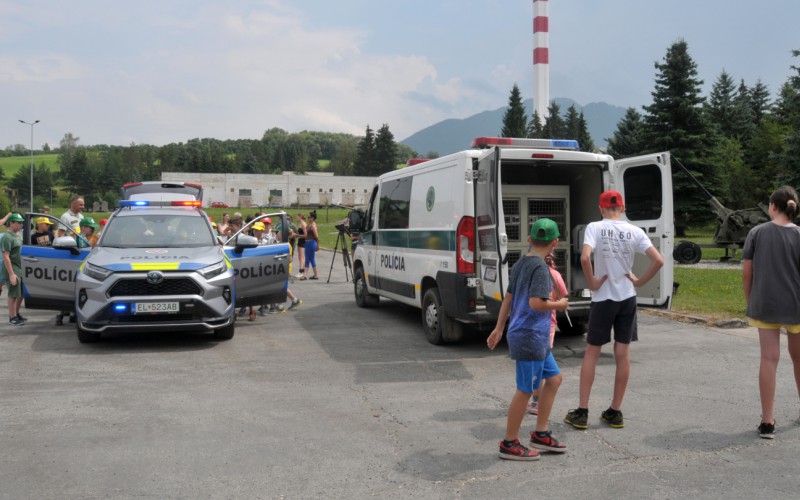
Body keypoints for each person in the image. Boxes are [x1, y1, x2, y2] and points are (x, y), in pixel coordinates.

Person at [564, 190, 664, 430]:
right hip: (627, 297)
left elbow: (585, 258)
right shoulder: (635, 231)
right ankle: (615, 411)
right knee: (622, 352)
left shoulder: (595, 227)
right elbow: (659, 260)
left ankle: (582, 411)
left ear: (600, 209)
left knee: (592, 352)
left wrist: (592, 282)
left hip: (604, 297)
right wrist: (639, 282)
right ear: (623, 208)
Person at [486, 218, 570, 461]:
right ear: (555, 243)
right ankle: (509, 443)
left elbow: (508, 298)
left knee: (554, 379)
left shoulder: (520, 263)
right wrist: (559, 304)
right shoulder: (541, 269)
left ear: (530, 239)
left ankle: (540, 433)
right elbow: (536, 303)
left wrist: (499, 328)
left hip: (534, 336)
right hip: (530, 335)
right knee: (525, 390)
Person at [742, 186, 800, 439]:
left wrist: (751, 300)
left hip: (765, 304)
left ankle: (767, 421)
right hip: (796, 305)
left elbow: (747, 273)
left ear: (773, 207)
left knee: (769, 359)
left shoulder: (757, 232)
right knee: (798, 358)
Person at [528, 252, 568, 416]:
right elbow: (564, 297)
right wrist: (558, 303)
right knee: (540, 366)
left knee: (536, 365)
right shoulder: (555, 275)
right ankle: (536, 402)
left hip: (529, 324)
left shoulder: (530, 273)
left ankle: (535, 400)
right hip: (547, 325)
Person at [2, 213, 27, 326]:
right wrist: (11, 274)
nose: (21, 225)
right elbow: (6, 256)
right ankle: (12, 317)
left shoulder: (19, 235)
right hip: (12, 267)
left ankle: (16, 313)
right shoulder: (7, 237)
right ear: (11, 223)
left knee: (21, 292)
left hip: (20, 266)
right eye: (19, 222)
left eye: (22, 222)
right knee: (13, 292)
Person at [301, 211, 319, 280]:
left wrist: (317, 245)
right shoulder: (309, 224)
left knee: (310, 258)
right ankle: (315, 275)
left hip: (311, 242)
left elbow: (316, 236)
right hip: (307, 243)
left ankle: (305, 275)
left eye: (309, 217)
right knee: (308, 258)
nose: (308, 218)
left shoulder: (313, 225)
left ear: (313, 218)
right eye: (308, 217)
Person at [295, 213, 307, 279]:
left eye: (297, 216)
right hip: (300, 241)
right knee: (300, 256)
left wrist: (298, 235)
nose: (296, 218)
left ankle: (301, 271)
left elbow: (305, 235)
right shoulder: (300, 224)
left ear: (300, 217)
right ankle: (301, 270)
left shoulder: (303, 224)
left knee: (302, 257)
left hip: (303, 241)